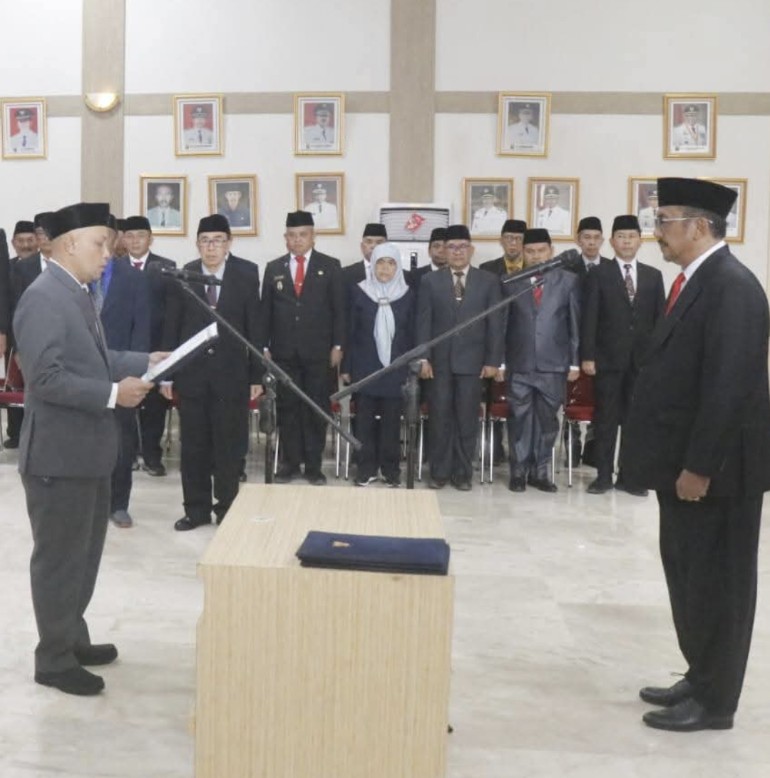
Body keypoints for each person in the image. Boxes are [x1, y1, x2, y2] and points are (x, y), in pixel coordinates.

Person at [623, 177, 770, 732]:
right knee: (690, 578)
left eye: (664, 222)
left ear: (700, 226)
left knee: (720, 586)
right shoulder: (694, 281)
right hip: (681, 466)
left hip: (717, 474)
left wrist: (699, 467)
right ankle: (701, 673)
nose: (657, 232)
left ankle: (716, 701)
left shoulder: (733, 287)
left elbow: (728, 387)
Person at [13, 201, 159, 696]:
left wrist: (145, 359)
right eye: (100, 244)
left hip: (86, 452)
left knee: (83, 558)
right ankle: (53, 659)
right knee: (60, 561)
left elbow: (95, 358)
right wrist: (115, 394)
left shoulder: (75, 292)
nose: (108, 254)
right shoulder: (43, 298)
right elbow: (46, 378)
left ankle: (72, 637)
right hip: (58, 457)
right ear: (71, 243)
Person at [161, 215, 262, 531]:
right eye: (205, 241)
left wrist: (256, 376)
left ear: (229, 243)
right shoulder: (185, 275)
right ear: (197, 244)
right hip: (192, 377)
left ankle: (227, 507)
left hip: (231, 376)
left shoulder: (246, 275)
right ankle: (196, 510)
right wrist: (167, 374)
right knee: (193, 448)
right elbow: (172, 326)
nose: (211, 247)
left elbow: (255, 329)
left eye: (218, 240)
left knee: (228, 448)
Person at [580, 215, 665, 495]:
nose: (627, 241)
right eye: (621, 236)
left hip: (642, 363)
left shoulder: (653, 276)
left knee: (635, 422)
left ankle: (630, 478)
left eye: (631, 236)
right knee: (606, 421)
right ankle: (603, 476)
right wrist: (587, 356)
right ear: (612, 242)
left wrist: (658, 359)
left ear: (640, 241)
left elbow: (660, 321)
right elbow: (589, 317)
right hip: (608, 361)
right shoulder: (599, 274)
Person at [417, 224, 503, 491]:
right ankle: (439, 472)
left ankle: (462, 473)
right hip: (439, 364)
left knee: (467, 419)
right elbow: (423, 322)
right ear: (444, 250)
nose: (457, 252)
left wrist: (493, 361)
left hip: (473, 364)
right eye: (451, 247)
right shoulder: (430, 281)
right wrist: (423, 358)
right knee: (440, 418)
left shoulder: (488, 281)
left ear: (471, 250)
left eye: (462, 247)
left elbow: (495, 324)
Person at [260, 211, 345, 485]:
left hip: (318, 352)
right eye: (292, 235)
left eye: (303, 235)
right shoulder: (274, 268)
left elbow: (339, 310)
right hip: (283, 353)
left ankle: (313, 466)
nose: (297, 240)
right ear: (285, 238)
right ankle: (290, 463)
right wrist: (264, 346)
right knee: (288, 408)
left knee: (315, 409)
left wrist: (338, 345)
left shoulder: (330, 266)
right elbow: (266, 311)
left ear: (313, 236)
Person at [504, 228, 580, 493]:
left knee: (548, 421)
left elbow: (574, 322)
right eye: (530, 251)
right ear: (523, 253)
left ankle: (541, 472)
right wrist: (501, 362)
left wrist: (574, 362)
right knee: (519, 418)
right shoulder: (512, 281)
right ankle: (518, 471)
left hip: (554, 363)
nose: (536, 256)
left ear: (551, 251)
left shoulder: (568, 281)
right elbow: (503, 324)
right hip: (520, 362)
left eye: (541, 251)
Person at [342, 243, 414, 487]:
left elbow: (412, 334)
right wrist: (347, 368)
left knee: (392, 422)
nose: (385, 268)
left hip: (396, 368)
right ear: (372, 265)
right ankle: (366, 469)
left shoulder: (408, 294)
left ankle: (391, 469)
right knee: (364, 421)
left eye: (390, 263)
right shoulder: (359, 291)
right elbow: (350, 331)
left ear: (398, 267)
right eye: (380, 262)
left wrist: (411, 366)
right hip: (365, 366)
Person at [94, 223, 151, 528]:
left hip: (123, 371)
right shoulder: (81, 275)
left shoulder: (134, 278)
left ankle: (118, 504)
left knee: (121, 439)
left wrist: (137, 371)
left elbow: (141, 328)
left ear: (117, 239)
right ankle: (92, 502)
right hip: (86, 370)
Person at [123, 215, 177, 476]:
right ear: (123, 239)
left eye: (141, 236)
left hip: (156, 348)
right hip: (124, 350)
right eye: (130, 236)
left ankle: (152, 456)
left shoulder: (166, 267)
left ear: (150, 239)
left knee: (155, 405)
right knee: (125, 404)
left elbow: (171, 314)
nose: (135, 241)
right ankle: (128, 454)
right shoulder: (113, 266)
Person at [558, 216, 609, 467]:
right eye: (586, 237)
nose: (591, 242)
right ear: (578, 240)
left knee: (600, 397)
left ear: (602, 240)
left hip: (602, 345)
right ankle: (572, 442)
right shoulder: (566, 268)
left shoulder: (610, 268)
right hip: (571, 341)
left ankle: (593, 446)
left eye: (596, 238)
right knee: (573, 395)